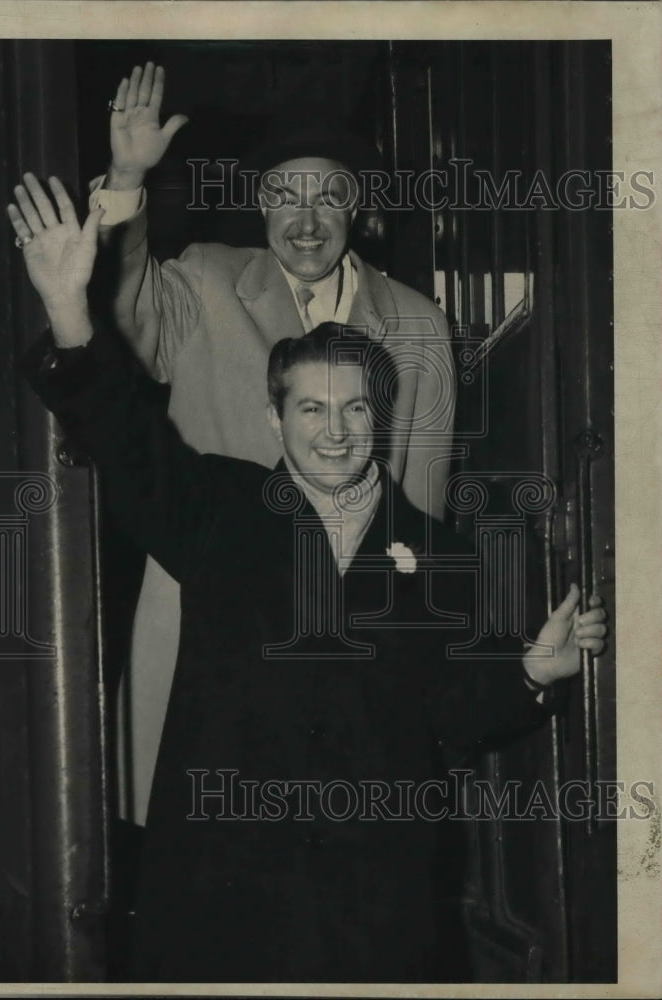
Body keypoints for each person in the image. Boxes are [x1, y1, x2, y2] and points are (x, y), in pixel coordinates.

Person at [8, 176, 607, 983]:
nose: (336, 433)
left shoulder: (431, 550)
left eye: (355, 411)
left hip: (374, 903)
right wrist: (69, 309)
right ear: (274, 420)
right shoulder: (215, 510)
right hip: (223, 893)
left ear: (380, 419)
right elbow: (121, 433)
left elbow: (455, 710)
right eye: (312, 411)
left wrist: (533, 672)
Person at [92, 61, 459, 822]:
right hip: (204, 632)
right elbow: (124, 315)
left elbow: (419, 512)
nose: (306, 220)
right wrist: (127, 178)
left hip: (343, 643)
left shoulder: (418, 324)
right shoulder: (202, 282)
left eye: (328, 197)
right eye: (286, 197)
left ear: (355, 210)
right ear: (259, 206)